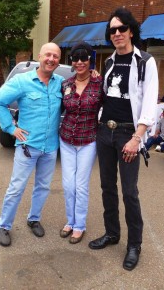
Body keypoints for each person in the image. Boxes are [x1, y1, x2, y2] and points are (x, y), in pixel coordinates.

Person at [88, 7, 158, 271]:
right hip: (105, 131)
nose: (116, 33)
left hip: (129, 134)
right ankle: (112, 233)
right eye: (112, 30)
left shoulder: (145, 61)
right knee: (107, 186)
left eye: (121, 28)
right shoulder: (108, 63)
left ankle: (134, 245)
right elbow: (106, 95)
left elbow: (149, 102)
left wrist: (137, 138)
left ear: (131, 30)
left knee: (129, 192)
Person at [0, 42, 64, 247]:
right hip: (27, 147)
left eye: (56, 56)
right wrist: (10, 128)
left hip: (50, 147)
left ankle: (34, 219)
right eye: (48, 55)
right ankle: (4, 225)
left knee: (43, 186)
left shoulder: (60, 82)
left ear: (59, 60)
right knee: (17, 187)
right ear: (39, 56)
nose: (51, 59)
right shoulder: (22, 81)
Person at [59, 41, 102, 244]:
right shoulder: (65, 84)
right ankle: (70, 221)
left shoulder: (99, 83)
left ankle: (80, 226)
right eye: (75, 58)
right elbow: (59, 110)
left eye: (83, 57)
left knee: (81, 185)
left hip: (88, 140)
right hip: (66, 139)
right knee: (68, 185)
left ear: (90, 60)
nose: (79, 62)